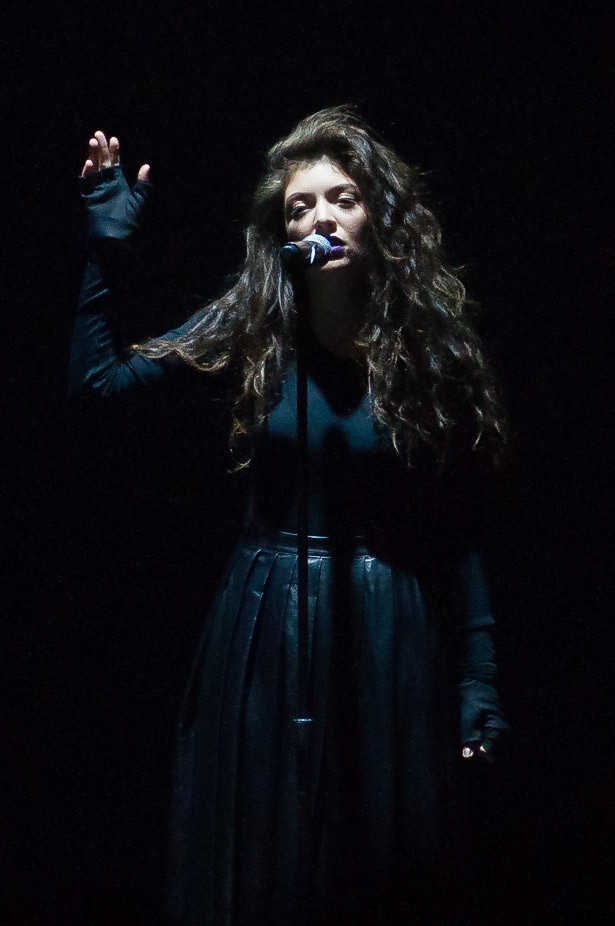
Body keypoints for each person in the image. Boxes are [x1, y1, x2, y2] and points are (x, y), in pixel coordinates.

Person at [70, 107, 508, 925]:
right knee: (263, 858)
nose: (319, 218)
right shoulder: (251, 329)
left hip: (386, 622)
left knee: (375, 863)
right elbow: (97, 390)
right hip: (265, 617)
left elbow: (460, 528)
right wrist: (107, 249)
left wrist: (478, 676)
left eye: (341, 198)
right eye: (299, 208)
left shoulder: (430, 355)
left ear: (379, 216)